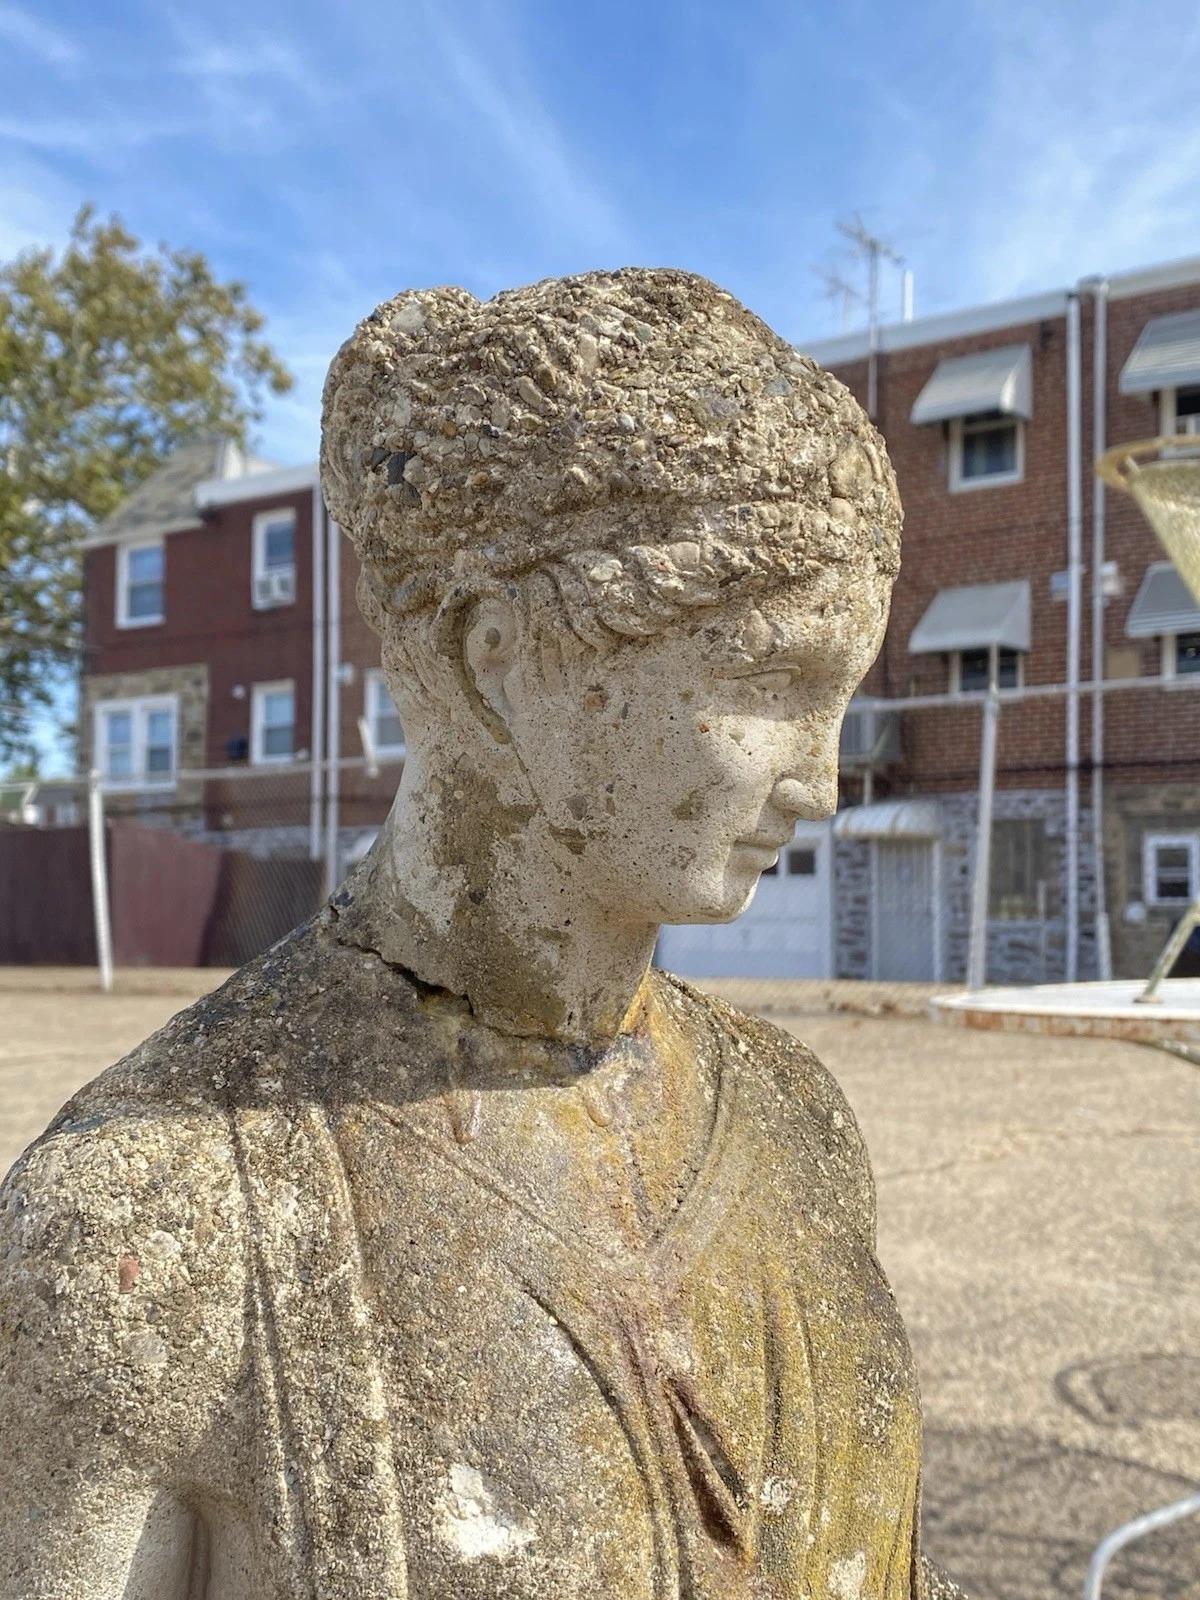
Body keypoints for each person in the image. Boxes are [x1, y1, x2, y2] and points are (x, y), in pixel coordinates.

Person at [0, 268, 965, 1598]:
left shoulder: (799, 1117)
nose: (818, 781)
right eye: (766, 686)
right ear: (492, 669)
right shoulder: (149, 1219)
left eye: (839, 702)